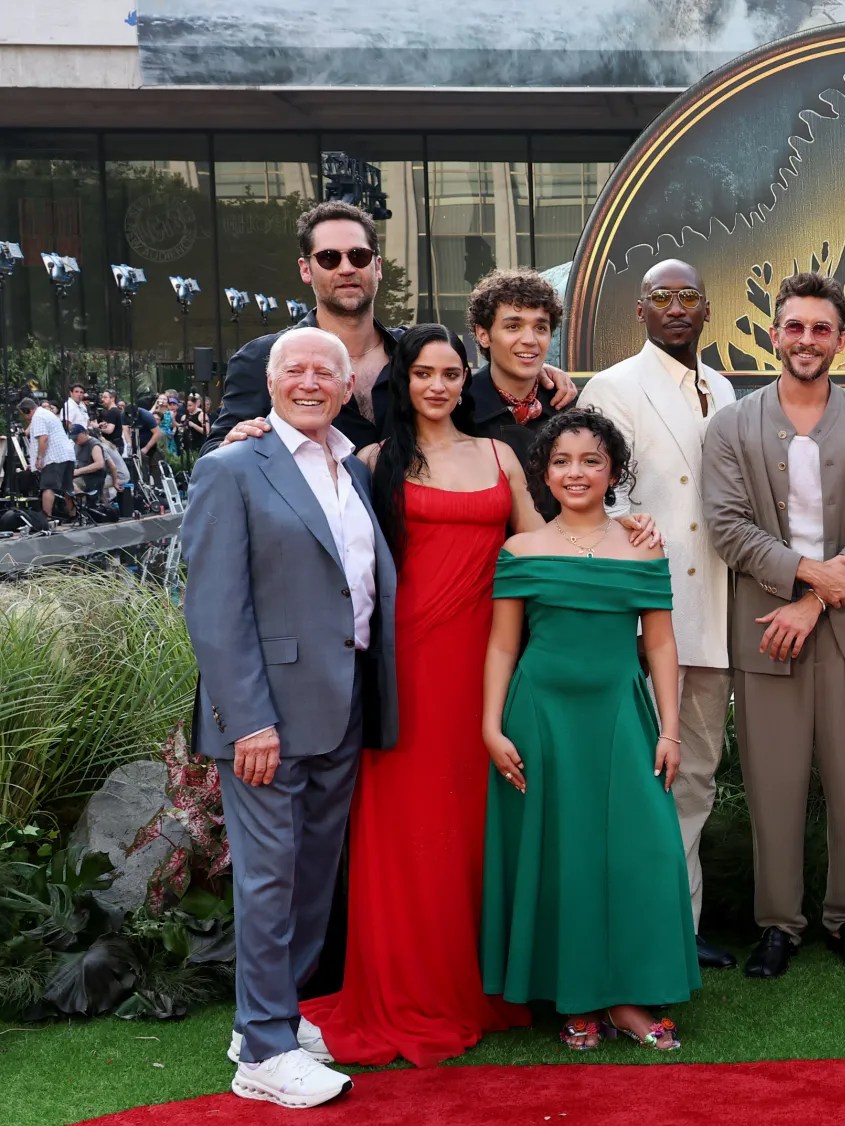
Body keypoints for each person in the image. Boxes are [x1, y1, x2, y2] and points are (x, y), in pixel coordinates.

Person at [301, 325, 662, 1067]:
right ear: (402, 383)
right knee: (415, 831)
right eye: (423, 374)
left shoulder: (499, 456)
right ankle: (418, 989)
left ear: (464, 381)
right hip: (410, 668)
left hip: (495, 665)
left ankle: (493, 981)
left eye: (449, 373)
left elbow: (551, 540)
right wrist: (246, 432)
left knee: (483, 827)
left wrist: (622, 527)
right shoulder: (372, 461)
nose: (437, 386)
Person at [181, 326, 399, 1108]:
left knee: (310, 880)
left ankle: (271, 1016)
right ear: (270, 383)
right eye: (294, 370)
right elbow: (214, 608)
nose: (310, 382)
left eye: (325, 372)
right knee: (271, 879)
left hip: (340, 706)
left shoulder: (352, 468)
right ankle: (264, 1052)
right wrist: (249, 721)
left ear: (347, 388)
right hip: (265, 719)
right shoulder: (231, 467)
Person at [702, 271, 845, 979]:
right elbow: (728, 526)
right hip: (768, 627)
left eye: (822, 328)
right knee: (773, 785)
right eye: (795, 326)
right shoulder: (731, 426)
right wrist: (801, 576)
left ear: (842, 339)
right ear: (774, 335)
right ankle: (778, 925)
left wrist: (814, 598)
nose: (807, 339)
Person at [481, 408, 700, 1052]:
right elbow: (502, 646)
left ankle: (630, 997)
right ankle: (577, 998)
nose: (575, 473)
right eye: (561, 461)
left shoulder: (643, 545)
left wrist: (670, 730)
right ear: (544, 473)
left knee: (641, 849)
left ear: (614, 472)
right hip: (539, 718)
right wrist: (490, 726)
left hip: (622, 716)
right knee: (564, 853)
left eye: (591, 461)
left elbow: (660, 644)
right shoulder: (520, 550)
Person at [578, 258, 740, 970]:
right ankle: (632, 925)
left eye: (688, 296)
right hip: (648, 614)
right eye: (660, 296)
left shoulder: (723, 387)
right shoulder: (613, 386)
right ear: (639, 311)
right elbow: (598, 493)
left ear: (707, 310)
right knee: (640, 777)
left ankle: (683, 922)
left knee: (695, 774)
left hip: (715, 609)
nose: (676, 307)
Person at [206, 202, 575, 455]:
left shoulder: (414, 352)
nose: (346, 268)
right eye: (329, 258)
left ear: (377, 266)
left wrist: (533, 369)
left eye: (359, 256)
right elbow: (215, 458)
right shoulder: (264, 358)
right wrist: (231, 445)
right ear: (306, 269)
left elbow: (470, 385)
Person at [465, 268, 565, 467]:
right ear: (483, 335)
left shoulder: (566, 407)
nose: (529, 340)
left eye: (540, 328)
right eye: (513, 327)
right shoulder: (459, 410)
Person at [22, 396, 75, 522]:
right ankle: (74, 515)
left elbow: (43, 438)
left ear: (27, 410)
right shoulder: (46, 413)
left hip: (54, 456)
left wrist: (39, 458)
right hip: (67, 454)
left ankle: (46, 518)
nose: (25, 418)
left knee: (48, 486)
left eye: (24, 414)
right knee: (67, 488)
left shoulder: (38, 417)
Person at [70, 423, 110, 510]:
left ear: (84, 433)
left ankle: (82, 499)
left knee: (69, 484)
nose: (74, 440)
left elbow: (99, 464)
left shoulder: (94, 445)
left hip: (92, 478)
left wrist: (79, 471)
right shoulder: (77, 445)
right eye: (73, 438)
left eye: (76, 437)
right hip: (81, 475)